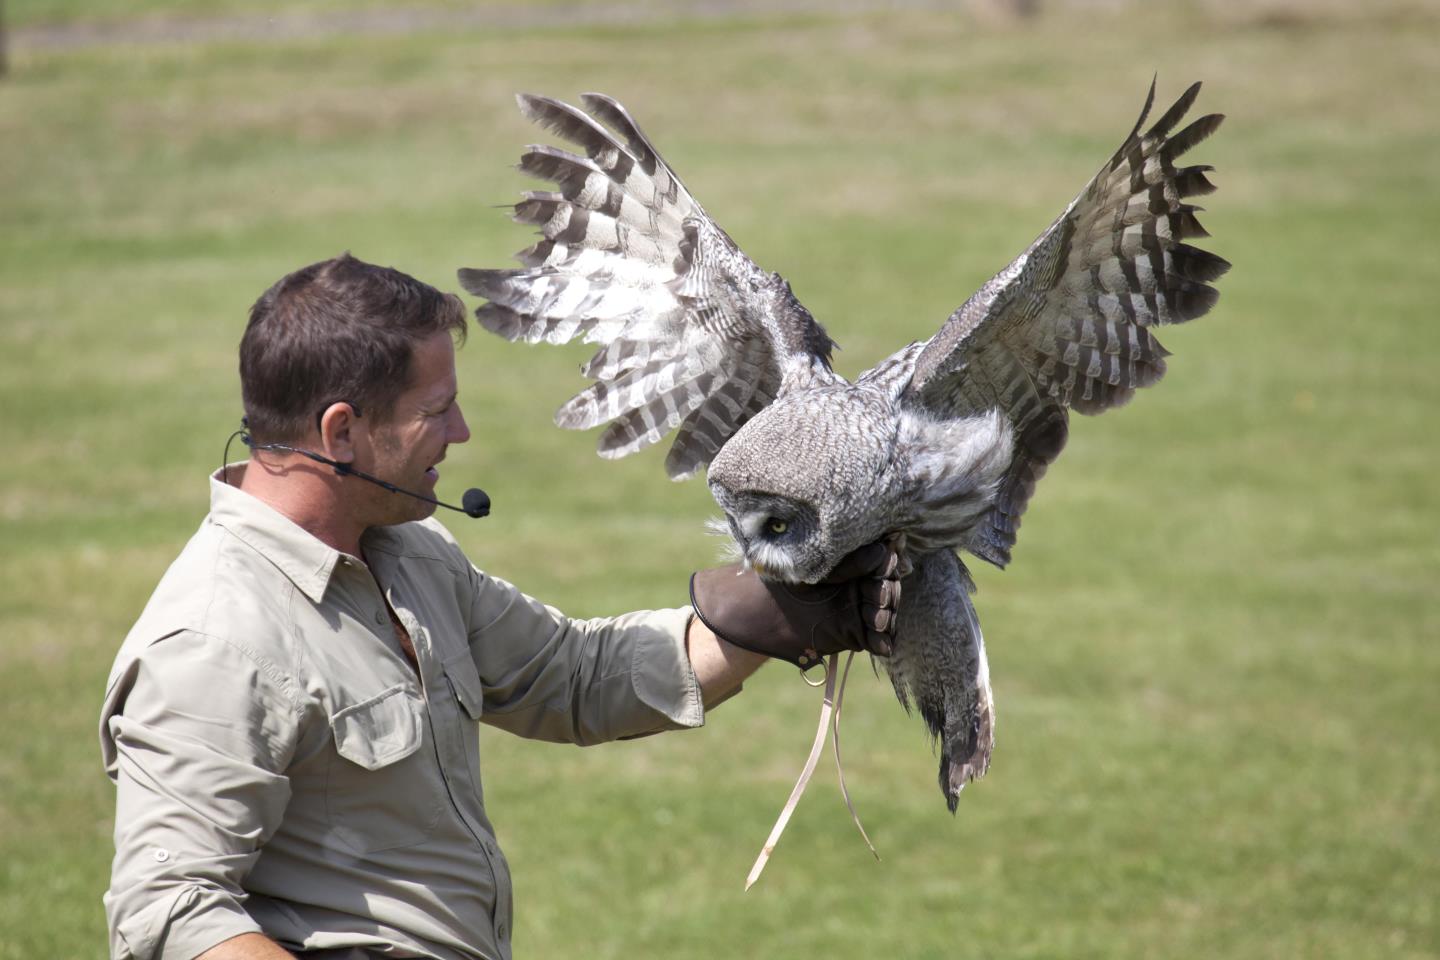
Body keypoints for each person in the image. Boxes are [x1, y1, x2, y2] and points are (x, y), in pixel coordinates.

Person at [99, 253, 900, 960]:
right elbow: (168, 910)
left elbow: (575, 676)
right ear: (341, 432)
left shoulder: (409, 556)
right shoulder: (214, 642)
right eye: (434, 409)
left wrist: (786, 602)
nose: (462, 431)